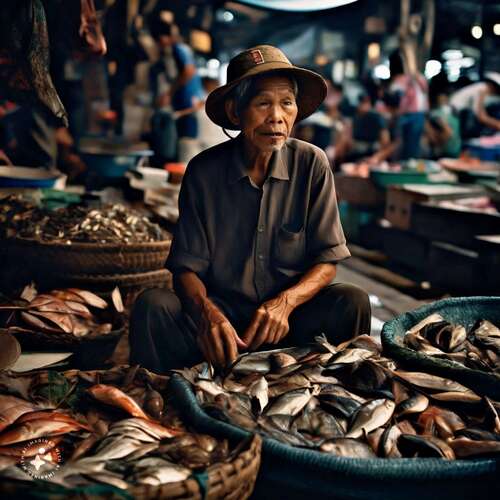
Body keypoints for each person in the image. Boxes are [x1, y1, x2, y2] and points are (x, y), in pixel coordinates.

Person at [129, 45, 371, 373]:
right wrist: (208, 316)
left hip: (289, 321)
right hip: (223, 323)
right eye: (262, 104)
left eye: (287, 103)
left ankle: (332, 387)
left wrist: (285, 303)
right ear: (235, 112)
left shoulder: (311, 164)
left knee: (352, 301)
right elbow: (185, 269)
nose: (277, 117)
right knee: (153, 306)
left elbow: (328, 261)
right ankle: (168, 393)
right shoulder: (203, 172)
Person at [148, 19, 204, 163]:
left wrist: (169, 93)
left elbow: (189, 71)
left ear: (162, 38)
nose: (159, 45)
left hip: (188, 105)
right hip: (184, 105)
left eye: (158, 41)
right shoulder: (172, 53)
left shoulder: (178, 49)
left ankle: (184, 177)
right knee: (181, 144)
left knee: (186, 145)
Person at [386, 51, 428, 160]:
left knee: (401, 147)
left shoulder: (397, 82)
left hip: (407, 116)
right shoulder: (418, 78)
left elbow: (394, 102)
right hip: (417, 115)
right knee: (411, 148)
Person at [450, 72, 500, 137]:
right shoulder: (482, 89)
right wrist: (497, 124)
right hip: (455, 115)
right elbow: (481, 116)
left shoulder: (482, 89)